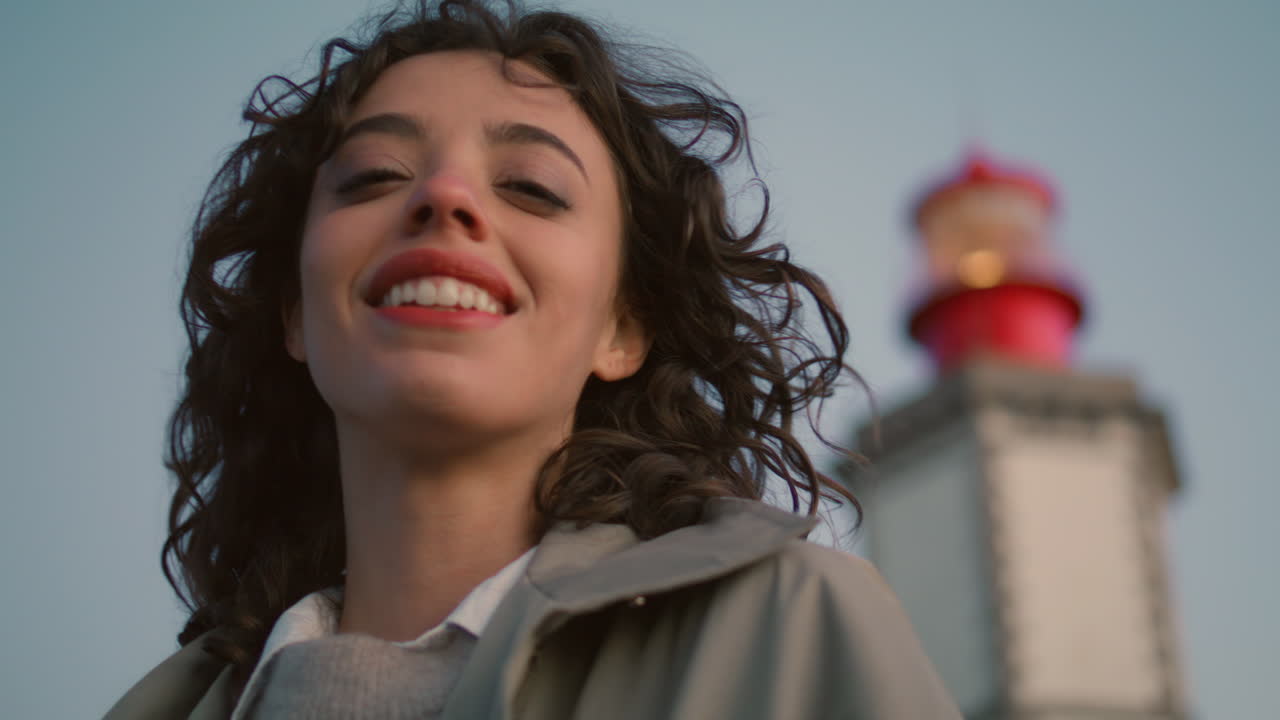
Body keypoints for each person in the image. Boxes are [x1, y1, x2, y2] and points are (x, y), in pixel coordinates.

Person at [104, 1, 959, 717]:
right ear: (295, 312)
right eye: (372, 176)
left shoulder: (794, 628)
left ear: (622, 330)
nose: (442, 195)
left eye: (532, 188)